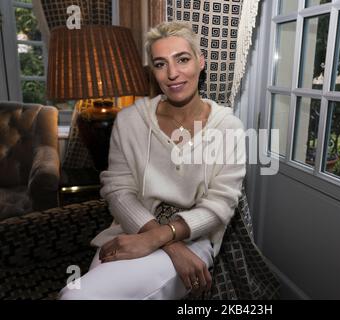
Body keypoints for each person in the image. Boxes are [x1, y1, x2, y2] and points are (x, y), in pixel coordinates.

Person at [59, 21, 246, 300]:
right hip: (131, 230)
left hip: (194, 240)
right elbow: (118, 190)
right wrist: (162, 242)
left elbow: (221, 204)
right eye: (160, 64)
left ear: (201, 62)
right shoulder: (130, 120)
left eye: (182, 59)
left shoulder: (229, 127)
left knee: (78, 296)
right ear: (153, 72)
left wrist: (158, 240)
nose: (172, 73)